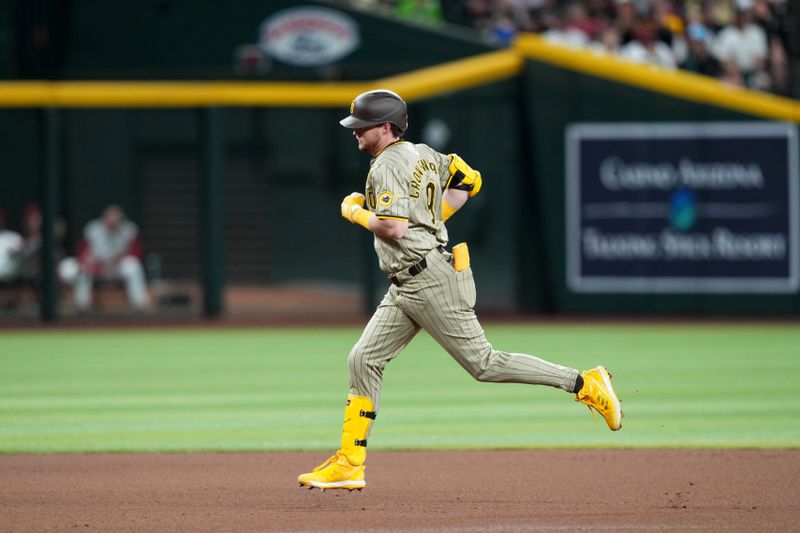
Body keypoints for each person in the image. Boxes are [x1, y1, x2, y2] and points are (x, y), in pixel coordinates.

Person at [297, 89, 623, 491]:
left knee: (484, 364)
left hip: (430, 280)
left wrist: (354, 212)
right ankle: (350, 463)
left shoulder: (385, 166)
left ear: (385, 128)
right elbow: (470, 181)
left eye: (362, 126)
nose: (355, 132)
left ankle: (584, 383)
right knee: (363, 360)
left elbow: (394, 228)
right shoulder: (425, 154)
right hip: (407, 282)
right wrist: (430, 217)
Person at [58, 205, 148, 312]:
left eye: (116, 219)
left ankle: (139, 305)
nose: (113, 222)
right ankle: (82, 306)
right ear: (103, 218)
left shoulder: (129, 230)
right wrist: (93, 265)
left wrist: (116, 261)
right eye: (110, 218)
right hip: (97, 265)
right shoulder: (93, 229)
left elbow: (136, 253)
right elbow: (82, 251)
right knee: (73, 267)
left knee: (133, 265)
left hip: (118, 267)